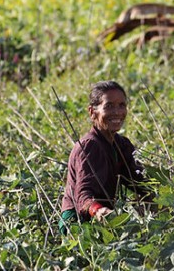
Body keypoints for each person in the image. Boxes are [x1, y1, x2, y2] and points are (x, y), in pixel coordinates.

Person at [59, 81, 153, 235]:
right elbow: (83, 195)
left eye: (121, 105)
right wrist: (99, 211)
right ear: (92, 112)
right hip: (78, 223)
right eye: (109, 106)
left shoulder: (121, 145)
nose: (117, 112)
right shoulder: (89, 146)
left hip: (106, 219)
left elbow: (139, 181)